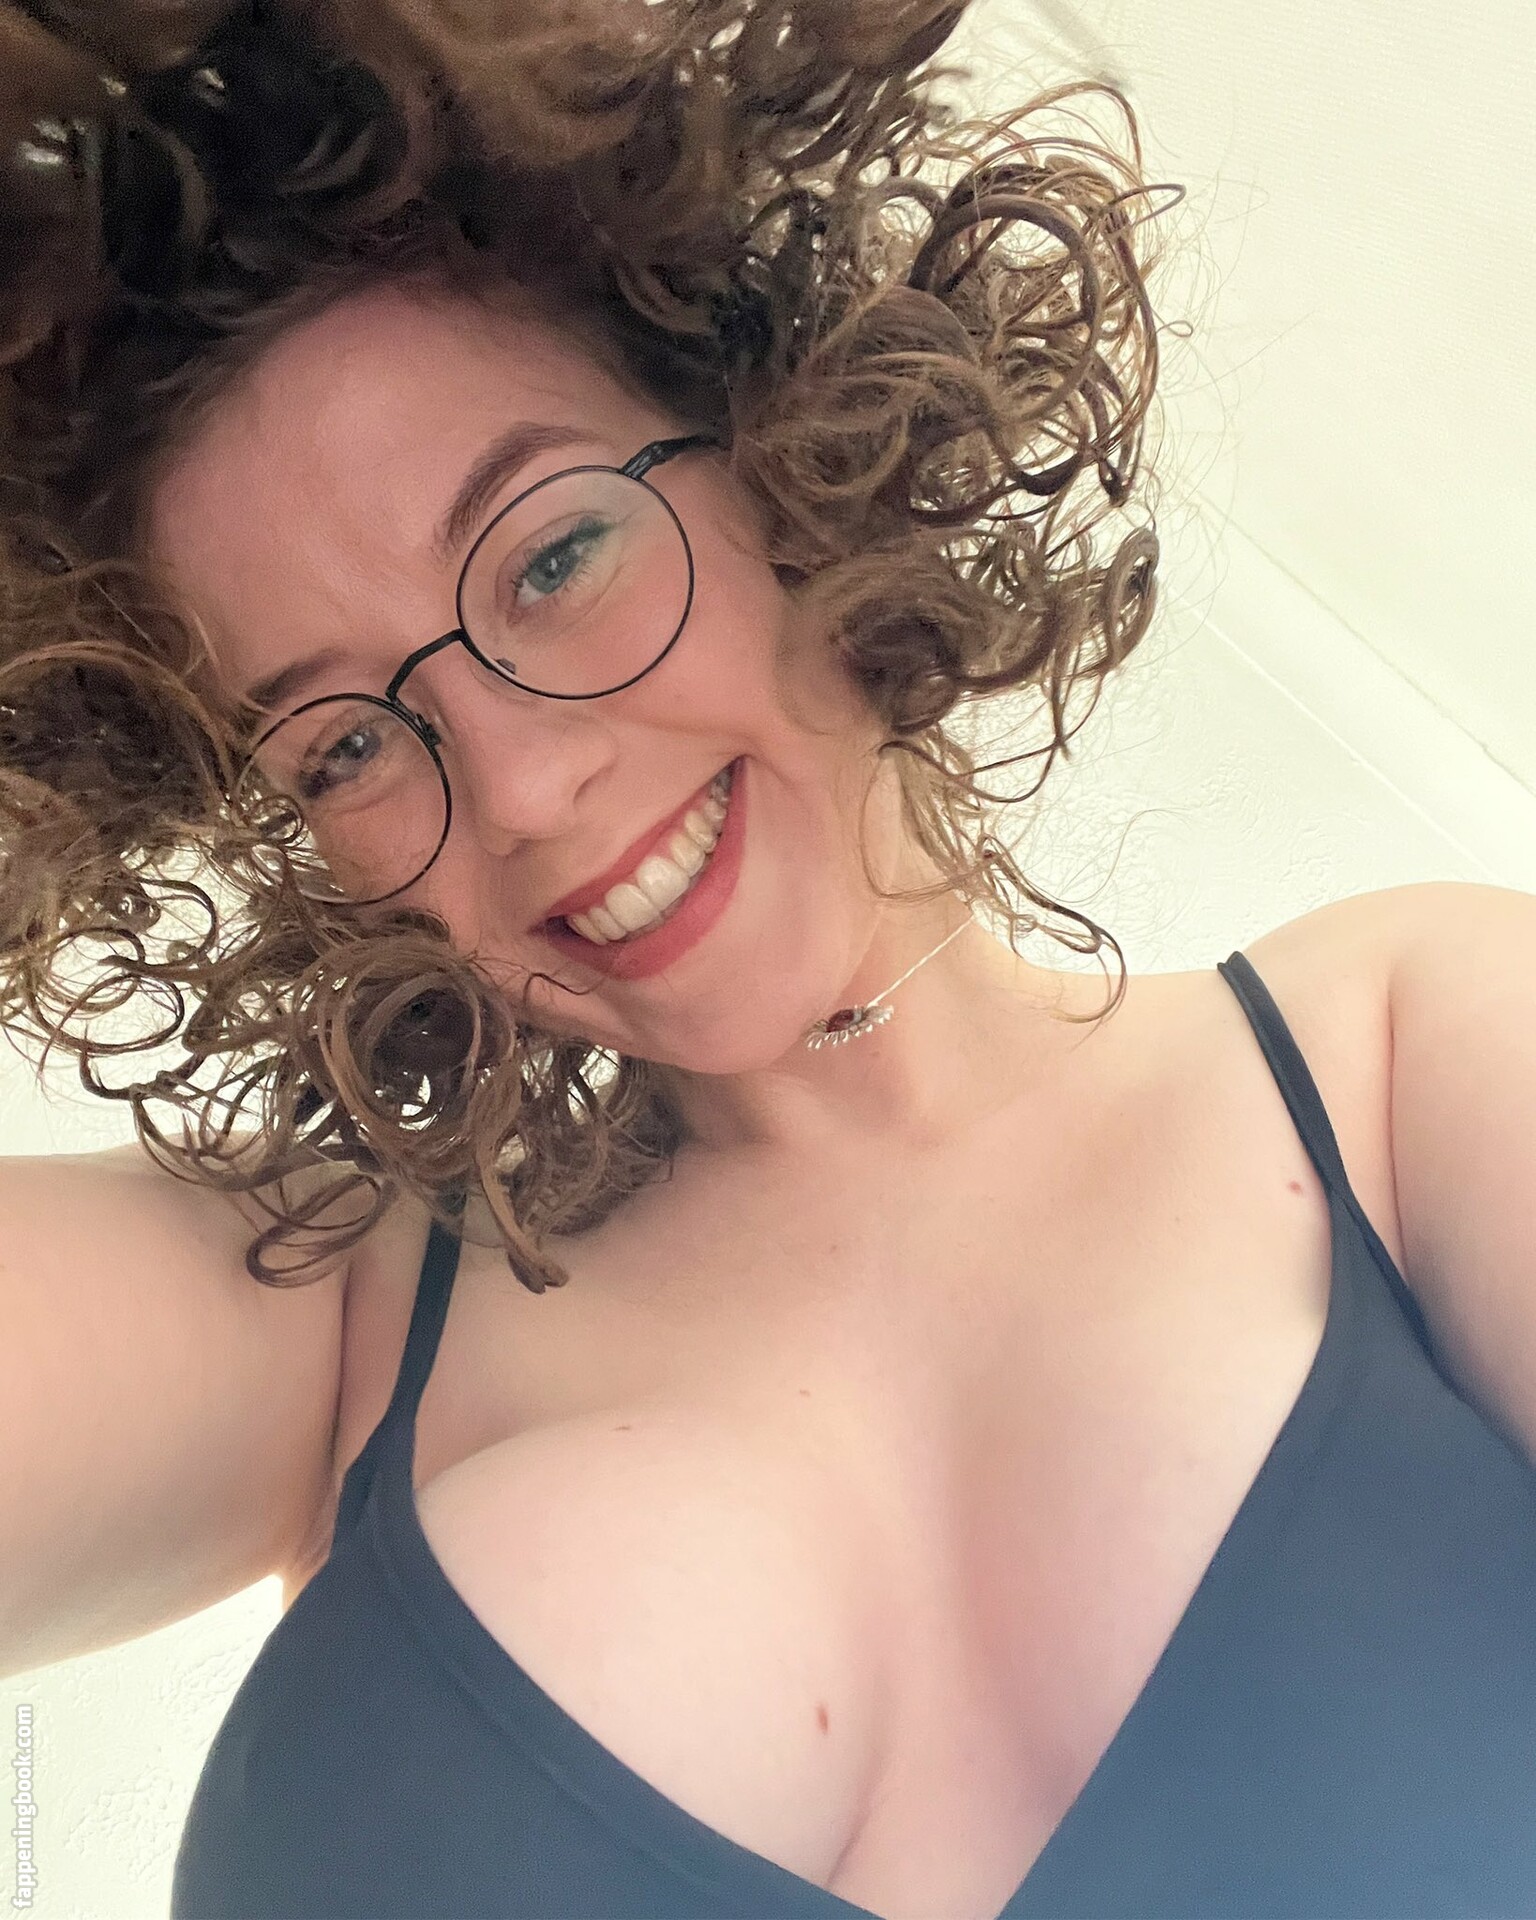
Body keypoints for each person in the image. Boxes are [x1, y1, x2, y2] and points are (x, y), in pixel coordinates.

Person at [1, 3, 1533, 1917]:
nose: (525, 786)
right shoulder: (332, 1312)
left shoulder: (1404, 1057)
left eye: (553, 559)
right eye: (347, 746)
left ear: (780, 444)